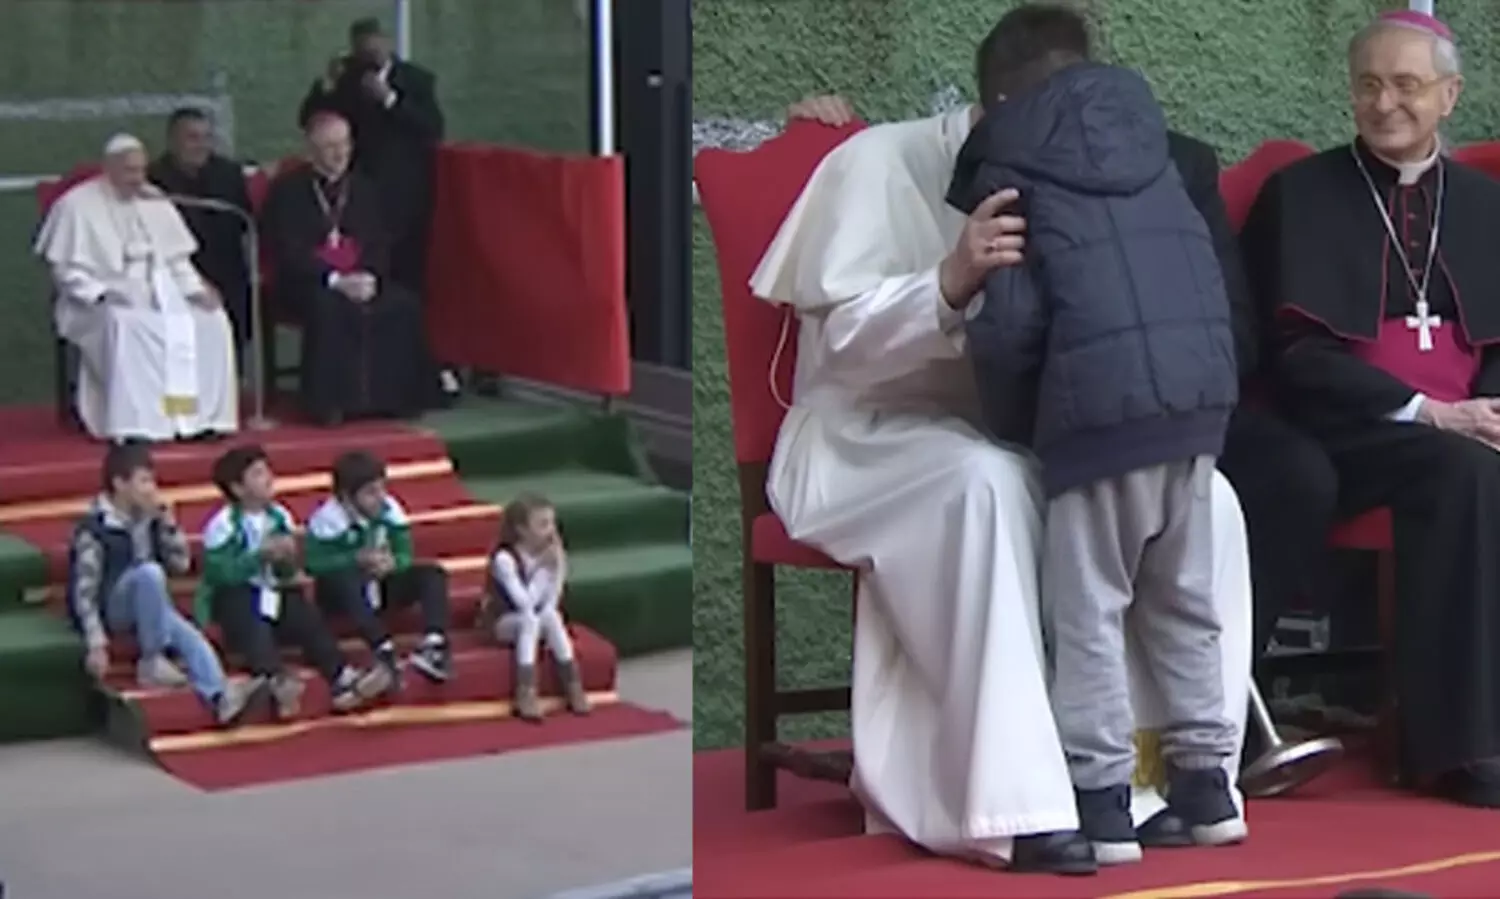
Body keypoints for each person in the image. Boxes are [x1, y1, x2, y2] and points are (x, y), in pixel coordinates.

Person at [750, 3, 1254, 875]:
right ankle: (1021, 802)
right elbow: (838, 350)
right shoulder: (877, 162)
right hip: (861, 437)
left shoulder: (1104, 167)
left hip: (1022, 428)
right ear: (994, 113)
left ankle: (1167, 779)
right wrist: (948, 280)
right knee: (989, 484)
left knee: (1209, 496)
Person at [948, 49, 1244, 862]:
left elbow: (1010, 325)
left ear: (1001, 100)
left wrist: (1018, 425)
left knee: (1089, 612)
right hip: (1197, 407)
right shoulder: (1156, 153)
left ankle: (1102, 802)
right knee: (1185, 602)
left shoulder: (1012, 171)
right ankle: (1207, 788)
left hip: (1100, 419)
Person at [1240, 10, 1500, 809]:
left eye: (1407, 85)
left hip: (1461, 424)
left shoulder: (1486, 205)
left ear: (1450, 94)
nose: (1385, 103)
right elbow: (1294, 354)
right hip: (1339, 425)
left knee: (1470, 460)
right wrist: (1423, 409)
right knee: (1464, 468)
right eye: (1369, 85)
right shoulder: (1300, 194)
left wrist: (1485, 408)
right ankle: (1461, 748)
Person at [36, 133, 239, 442]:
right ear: (109, 168)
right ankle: (139, 423)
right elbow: (67, 271)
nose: (138, 179)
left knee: (212, 320)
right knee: (130, 327)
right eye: (130, 171)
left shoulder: (153, 199)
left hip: (162, 292)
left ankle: (193, 417)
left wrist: (197, 289)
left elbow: (177, 261)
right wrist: (100, 294)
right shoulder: (76, 205)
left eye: (142, 170)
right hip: (100, 300)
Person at [298, 16, 461, 402]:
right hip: (358, 201)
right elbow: (312, 120)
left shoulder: (416, 80)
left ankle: (411, 372)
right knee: (358, 283)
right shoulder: (348, 80)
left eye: (374, 47)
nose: (368, 55)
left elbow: (431, 128)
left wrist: (389, 98)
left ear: (387, 44)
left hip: (407, 201)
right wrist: (325, 85)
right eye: (361, 49)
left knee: (405, 286)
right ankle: (355, 375)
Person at [259, 112, 439, 425]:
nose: (339, 153)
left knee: (403, 304)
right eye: (330, 146)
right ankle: (330, 404)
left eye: (344, 144)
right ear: (311, 150)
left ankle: (393, 398)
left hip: (359, 277)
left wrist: (368, 276)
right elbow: (287, 250)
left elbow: (379, 242)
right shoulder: (287, 191)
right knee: (328, 306)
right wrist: (333, 279)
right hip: (307, 282)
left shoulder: (365, 189)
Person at [65, 443, 257, 726]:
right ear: (120, 484)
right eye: (144, 481)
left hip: (152, 603)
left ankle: (218, 695)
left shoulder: (151, 518)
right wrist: (97, 642)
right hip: (114, 606)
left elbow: (181, 565)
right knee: (150, 572)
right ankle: (151, 660)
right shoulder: (94, 528)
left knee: (190, 636)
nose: (151, 489)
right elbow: (84, 592)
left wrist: (168, 523)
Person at [198, 444, 391, 716]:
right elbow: (220, 576)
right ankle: (273, 678)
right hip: (236, 606)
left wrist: (286, 562)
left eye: (267, 471)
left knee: (300, 609)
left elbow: (286, 574)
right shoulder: (223, 525)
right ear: (238, 488)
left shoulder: (280, 516)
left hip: (271, 597)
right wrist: (259, 557)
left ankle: (341, 676)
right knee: (244, 600)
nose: (268, 478)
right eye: (258, 474)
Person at [305, 450, 453, 690]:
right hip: (341, 596)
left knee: (432, 574)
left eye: (382, 488)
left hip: (381, 585)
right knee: (346, 579)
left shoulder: (389, 509)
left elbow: (405, 551)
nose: (380, 497)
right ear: (346, 497)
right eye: (370, 492)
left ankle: (434, 644)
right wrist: (354, 560)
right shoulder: (327, 520)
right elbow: (313, 565)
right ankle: (382, 647)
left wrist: (394, 563)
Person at [147, 108, 254, 359]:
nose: (201, 146)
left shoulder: (228, 173)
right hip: (174, 270)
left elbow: (242, 223)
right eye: (192, 138)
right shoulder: (153, 180)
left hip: (225, 267)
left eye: (207, 138)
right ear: (172, 141)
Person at [479, 494, 590, 722]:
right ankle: (526, 691)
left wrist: (558, 568)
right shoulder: (505, 559)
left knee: (551, 616)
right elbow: (523, 603)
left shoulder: (548, 555)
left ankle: (572, 683)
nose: (551, 531)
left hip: (533, 618)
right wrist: (541, 570)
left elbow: (551, 601)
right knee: (530, 620)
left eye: (552, 523)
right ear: (521, 530)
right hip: (501, 621)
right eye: (542, 524)